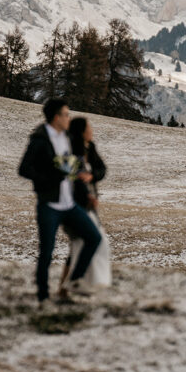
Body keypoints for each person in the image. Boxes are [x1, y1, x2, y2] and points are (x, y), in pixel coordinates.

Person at [18, 97, 101, 304]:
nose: (68, 118)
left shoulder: (67, 139)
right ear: (56, 117)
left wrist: (86, 192)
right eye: (66, 114)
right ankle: (43, 297)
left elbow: (71, 170)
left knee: (93, 238)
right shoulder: (40, 139)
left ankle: (74, 281)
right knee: (46, 252)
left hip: (69, 203)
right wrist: (49, 178)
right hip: (50, 204)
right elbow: (24, 169)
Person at [57, 116, 111, 296]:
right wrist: (85, 193)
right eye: (89, 128)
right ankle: (76, 283)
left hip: (88, 205)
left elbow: (102, 169)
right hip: (74, 205)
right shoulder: (70, 150)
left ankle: (67, 288)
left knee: (79, 246)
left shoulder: (91, 148)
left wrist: (92, 176)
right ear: (82, 131)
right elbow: (69, 179)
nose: (92, 131)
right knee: (91, 241)